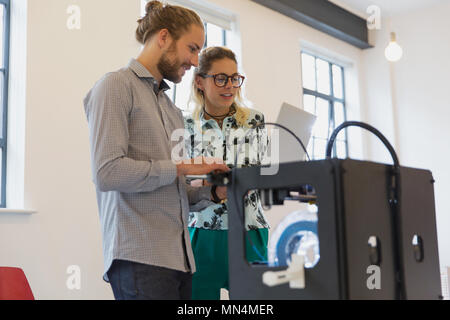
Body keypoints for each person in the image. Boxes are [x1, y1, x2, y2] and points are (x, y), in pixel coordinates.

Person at [83, 1, 229, 300]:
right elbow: (107, 172)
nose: (195, 60)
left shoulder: (172, 111)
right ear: (163, 37)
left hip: (180, 260)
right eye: (192, 48)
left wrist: (212, 193)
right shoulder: (114, 87)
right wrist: (184, 168)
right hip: (140, 257)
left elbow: (176, 190)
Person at [184, 46, 270, 300]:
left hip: (250, 229)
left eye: (234, 78)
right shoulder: (184, 124)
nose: (229, 86)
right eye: (220, 78)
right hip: (202, 232)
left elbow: (261, 168)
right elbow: (184, 181)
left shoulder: (255, 120)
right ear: (200, 81)